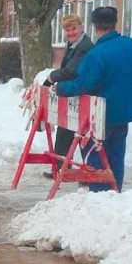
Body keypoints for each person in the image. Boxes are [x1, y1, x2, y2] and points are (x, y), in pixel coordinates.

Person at [56, 7, 132, 192]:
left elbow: (83, 85)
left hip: (101, 114)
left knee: (95, 158)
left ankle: (99, 197)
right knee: (116, 156)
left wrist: (61, 88)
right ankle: (115, 191)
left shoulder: (97, 53)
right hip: (124, 112)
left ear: (95, 26)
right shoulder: (131, 45)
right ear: (115, 23)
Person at [42, 14, 93, 179]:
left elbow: (72, 70)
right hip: (70, 92)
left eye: (73, 29)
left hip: (81, 92)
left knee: (82, 133)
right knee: (65, 128)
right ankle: (61, 167)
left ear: (81, 27)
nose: (70, 33)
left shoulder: (84, 46)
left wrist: (52, 77)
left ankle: (88, 171)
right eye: (67, 30)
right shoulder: (73, 44)